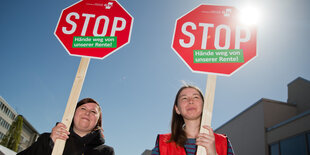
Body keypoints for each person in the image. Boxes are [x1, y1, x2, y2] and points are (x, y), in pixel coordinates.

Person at [151, 85, 234, 155]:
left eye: (196, 97)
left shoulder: (223, 142)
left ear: (204, 106)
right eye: (184, 98)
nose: (190, 101)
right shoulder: (163, 143)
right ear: (177, 109)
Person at [18, 98, 114, 155]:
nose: (87, 113)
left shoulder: (105, 152)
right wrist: (49, 144)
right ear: (73, 114)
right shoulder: (47, 139)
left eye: (93, 112)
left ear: (98, 121)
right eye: (83, 108)